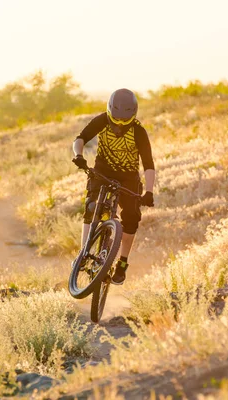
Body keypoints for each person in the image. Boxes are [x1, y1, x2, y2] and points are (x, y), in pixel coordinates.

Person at [71, 88, 155, 285]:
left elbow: (149, 164)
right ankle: (83, 253)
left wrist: (149, 192)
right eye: (115, 120)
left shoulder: (139, 132)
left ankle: (122, 263)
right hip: (102, 171)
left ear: (133, 116)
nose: (119, 126)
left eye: (124, 122)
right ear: (109, 112)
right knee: (91, 207)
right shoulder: (102, 120)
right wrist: (79, 156)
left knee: (132, 217)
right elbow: (80, 139)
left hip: (128, 177)